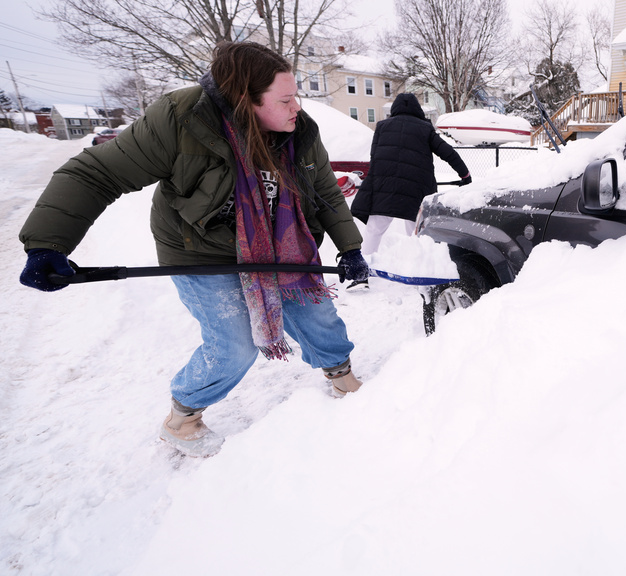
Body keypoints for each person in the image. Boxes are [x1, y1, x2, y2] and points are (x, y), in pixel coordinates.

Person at [18, 41, 370, 458]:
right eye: (286, 99)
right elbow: (97, 173)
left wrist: (350, 248)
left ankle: (343, 378)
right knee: (234, 344)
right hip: (200, 248)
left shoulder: (299, 132)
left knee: (316, 311)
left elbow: (325, 191)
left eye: (296, 97)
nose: (297, 107)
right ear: (245, 100)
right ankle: (182, 418)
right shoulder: (181, 118)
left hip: (279, 244)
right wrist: (46, 243)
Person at [349, 93, 471, 289]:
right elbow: (447, 152)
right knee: (415, 231)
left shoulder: (382, 127)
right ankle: (418, 273)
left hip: (383, 186)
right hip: (416, 188)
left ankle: (361, 275)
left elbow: (375, 156)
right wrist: (465, 175)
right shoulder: (425, 129)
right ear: (417, 109)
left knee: (374, 229)